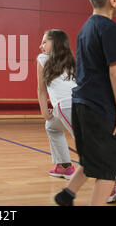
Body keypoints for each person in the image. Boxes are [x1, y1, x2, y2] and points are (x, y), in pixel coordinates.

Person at [54, 0, 116, 206]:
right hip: (100, 109)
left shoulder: (87, 28)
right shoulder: (110, 29)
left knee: (91, 160)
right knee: (109, 170)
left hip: (82, 106)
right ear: (114, 0)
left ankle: (66, 195)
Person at [37, 29, 76, 180]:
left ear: (56, 43)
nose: (41, 46)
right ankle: (64, 166)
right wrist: (47, 115)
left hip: (66, 106)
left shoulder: (42, 58)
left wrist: (44, 112)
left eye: (45, 42)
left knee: (86, 145)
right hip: (72, 105)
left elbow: (41, 89)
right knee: (52, 127)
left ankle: (115, 179)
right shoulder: (71, 60)